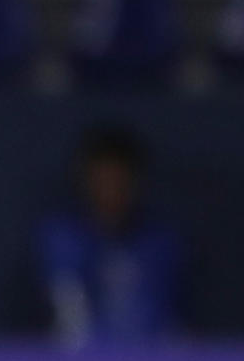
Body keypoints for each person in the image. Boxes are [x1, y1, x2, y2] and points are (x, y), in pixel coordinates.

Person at [39, 123, 187, 348]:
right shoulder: (63, 238)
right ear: (86, 181)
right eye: (103, 180)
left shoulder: (162, 241)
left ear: (135, 182)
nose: (110, 191)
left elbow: (166, 316)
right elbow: (70, 315)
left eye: (119, 181)